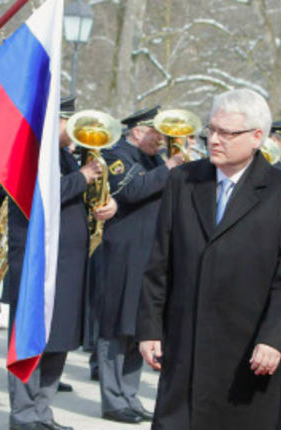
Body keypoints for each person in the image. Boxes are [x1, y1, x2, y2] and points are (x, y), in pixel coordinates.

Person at [137, 88, 281, 429]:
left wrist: (275, 338)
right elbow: (160, 259)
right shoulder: (184, 180)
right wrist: (150, 327)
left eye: (227, 133)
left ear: (257, 137)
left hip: (248, 351)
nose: (214, 140)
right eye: (212, 130)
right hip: (186, 344)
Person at [4, 96, 118, 430]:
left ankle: (42, 411)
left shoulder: (66, 157)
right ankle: (23, 414)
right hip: (38, 265)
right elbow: (39, 196)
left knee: (59, 340)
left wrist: (107, 204)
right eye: (68, 120)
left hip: (68, 264)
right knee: (31, 341)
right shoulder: (28, 154)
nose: (75, 127)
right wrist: (82, 176)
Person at [95, 105, 184, 424]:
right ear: (137, 131)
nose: (160, 140)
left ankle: (129, 395)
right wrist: (169, 167)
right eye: (155, 133)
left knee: (138, 326)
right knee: (115, 326)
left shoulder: (154, 160)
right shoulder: (116, 155)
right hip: (123, 252)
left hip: (149, 253)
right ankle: (112, 399)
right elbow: (130, 190)